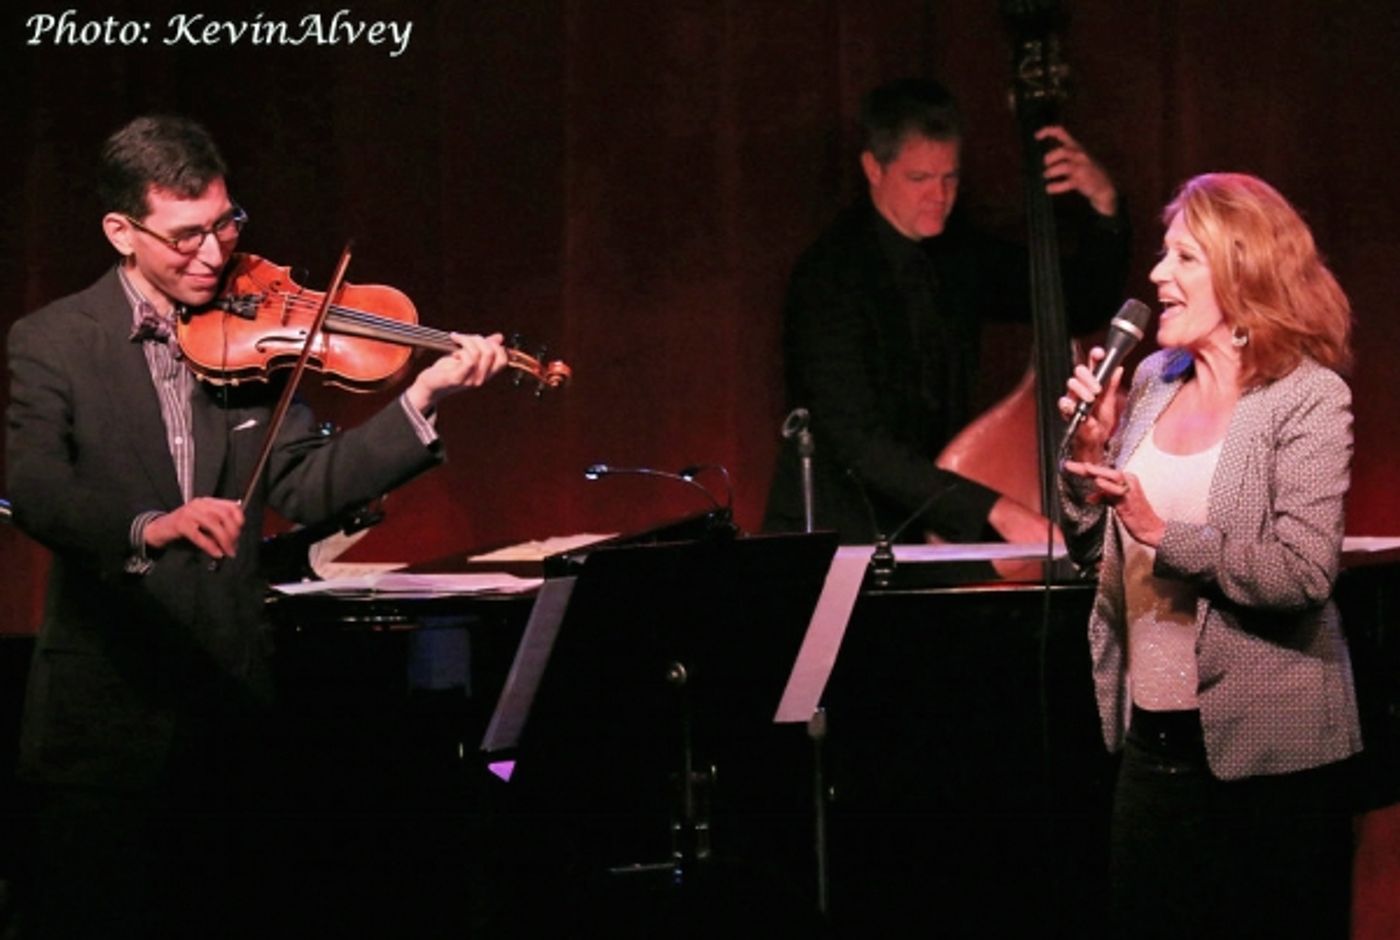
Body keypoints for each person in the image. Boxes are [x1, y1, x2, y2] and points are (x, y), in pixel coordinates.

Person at [4, 114, 509, 938]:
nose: (212, 255)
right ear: (120, 232)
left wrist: (420, 400)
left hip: (228, 709)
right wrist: (150, 526)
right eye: (185, 235)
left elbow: (308, 485)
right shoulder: (54, 341)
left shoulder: (249, 334)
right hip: (104, 722)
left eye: (226, 223)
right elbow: (36, 489)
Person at [1058, 172, 1360, 938]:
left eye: (1183, 258)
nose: (1157, 276)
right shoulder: (1156, 382)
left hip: (1272, 761)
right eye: (1163, 256)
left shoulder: (1308, 398)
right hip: (1153, 746)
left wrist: (1164, 532)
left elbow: (1304, 570)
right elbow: (1099, 548)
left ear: (1242, 271)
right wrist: (1087, 471)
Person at [763, 76, 1130, 544]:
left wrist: (1105, 206)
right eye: (919, 179)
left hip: (924, 524)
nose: (939, 195)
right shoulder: (828, 278)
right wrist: (994, 509)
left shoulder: (960, 256)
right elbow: (859, 443)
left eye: (950, 177)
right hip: (841, 532)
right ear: (874, 168)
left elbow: (1078, 303)